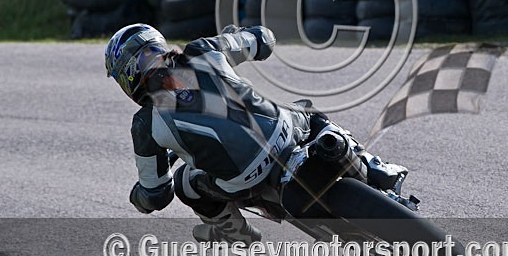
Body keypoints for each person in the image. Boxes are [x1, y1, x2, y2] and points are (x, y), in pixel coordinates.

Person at [105, 23, 407, 244]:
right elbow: (265, 39)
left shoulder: (145, 123)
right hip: (284, 131)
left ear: (128, 76)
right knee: (309, 112)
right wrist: (240, 34)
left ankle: (236, 233)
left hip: (242, 181)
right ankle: (374, 166)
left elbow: (156, 195)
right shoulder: (204, 49)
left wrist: (139, 197)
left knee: (187, 183)